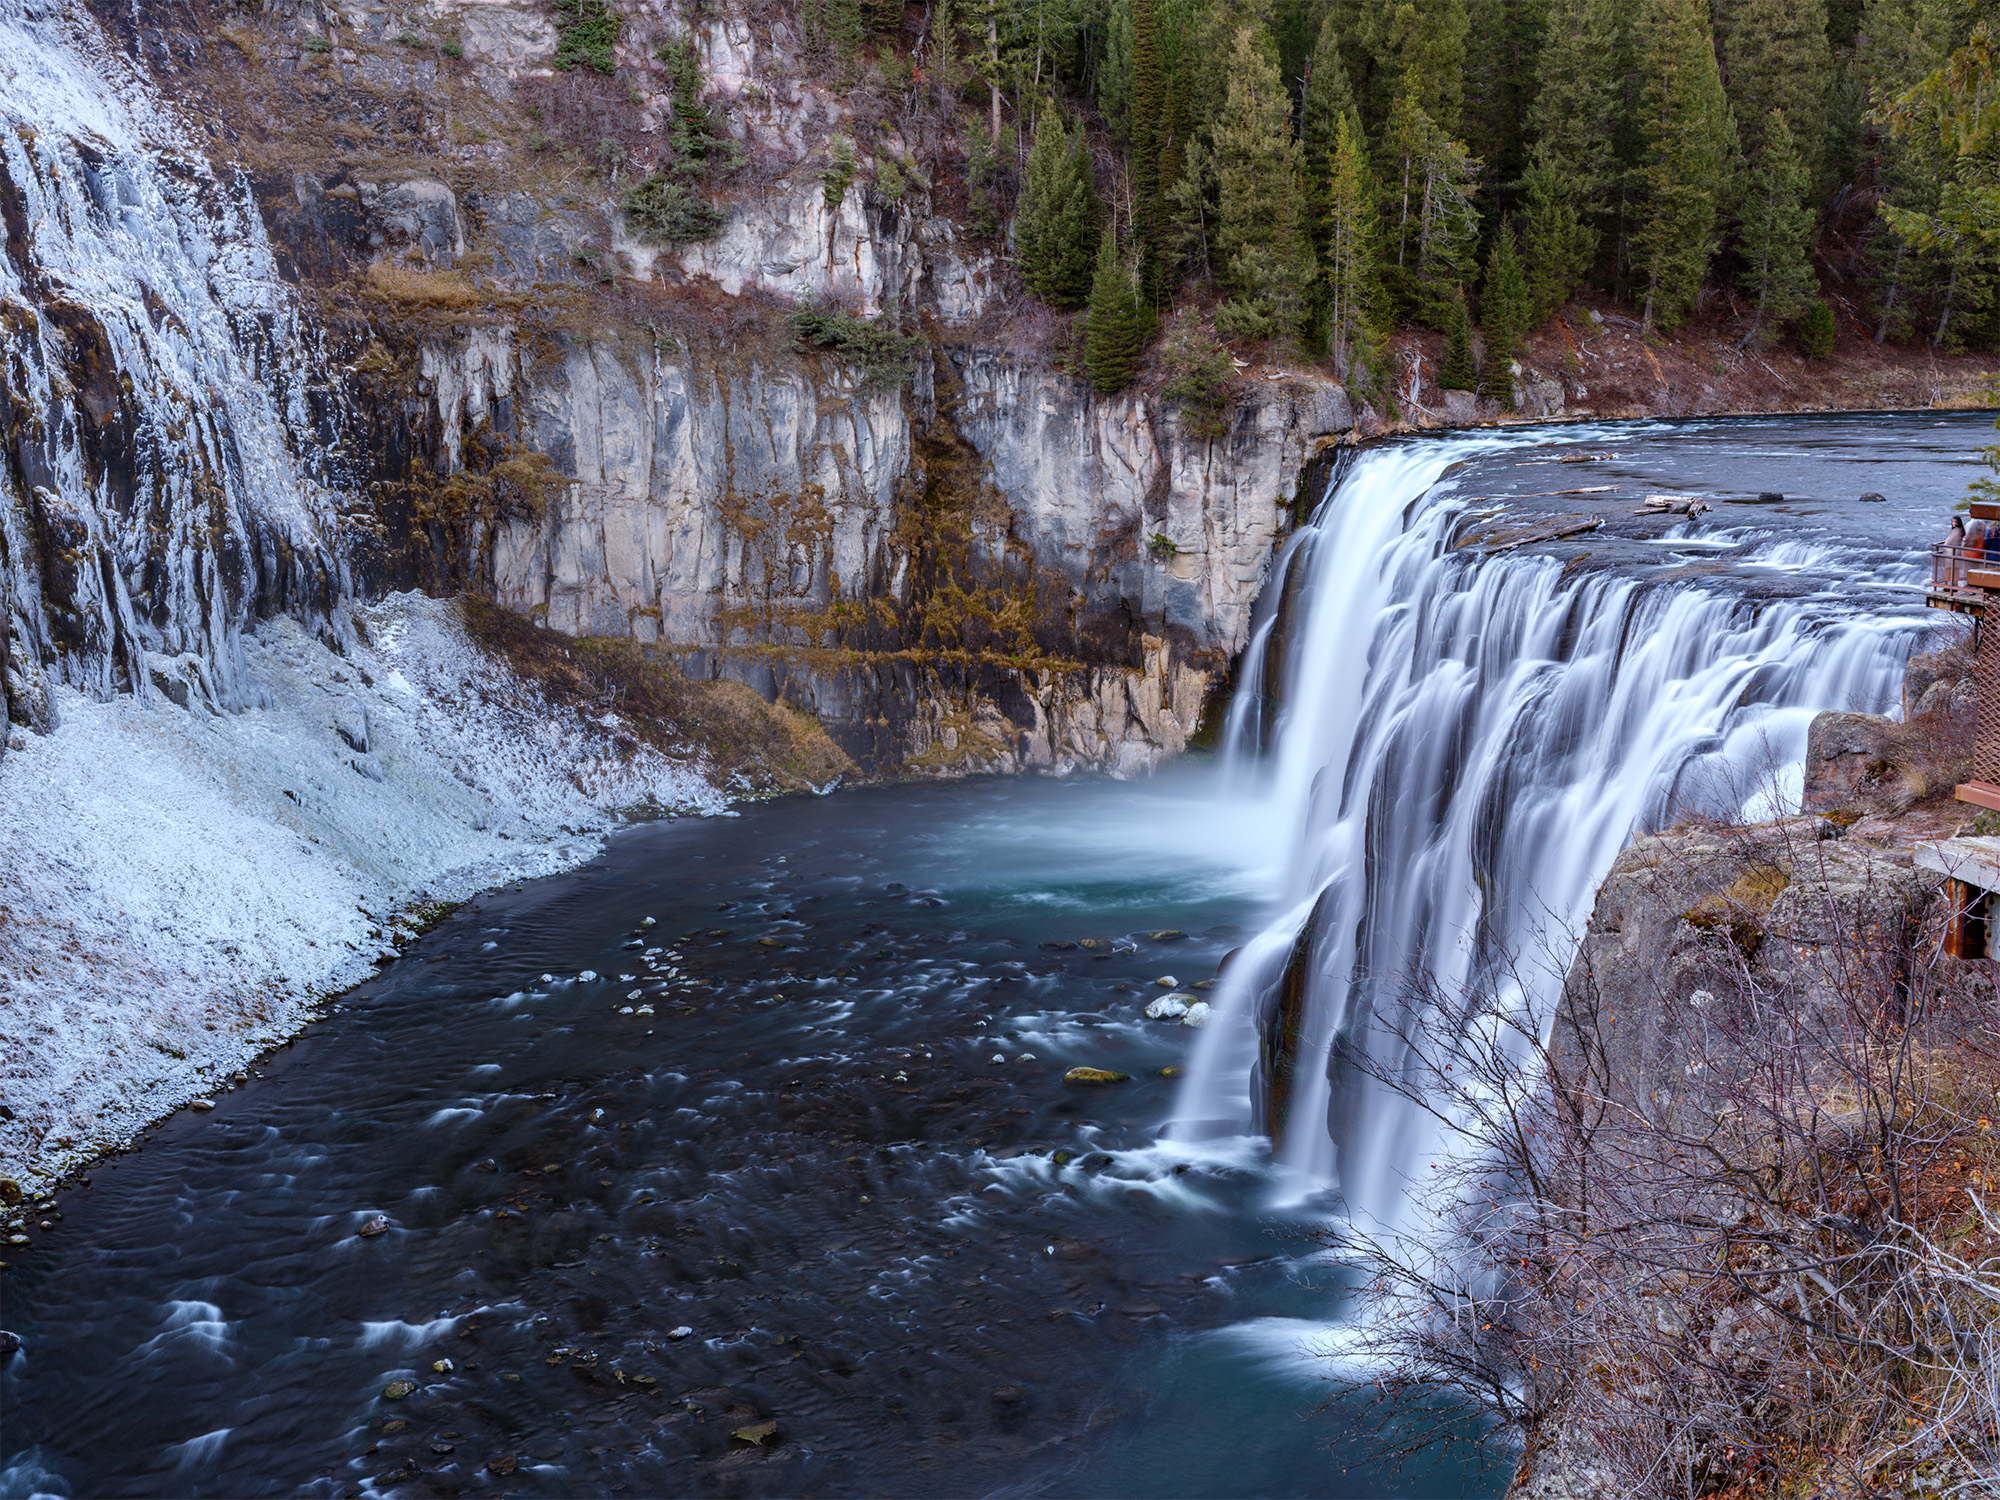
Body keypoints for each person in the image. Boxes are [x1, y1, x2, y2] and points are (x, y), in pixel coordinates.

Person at [1950, 514, 1969, 585]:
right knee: (1954, 568)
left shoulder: (1958, 531)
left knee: (1954, 568)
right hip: (1954, 551)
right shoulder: (1957, 530)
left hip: (1955, 552)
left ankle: (1953, 584)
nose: (1954, 523)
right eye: (1953, 522)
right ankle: (1953, 583)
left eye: (1955, 522)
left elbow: (1949, 541)